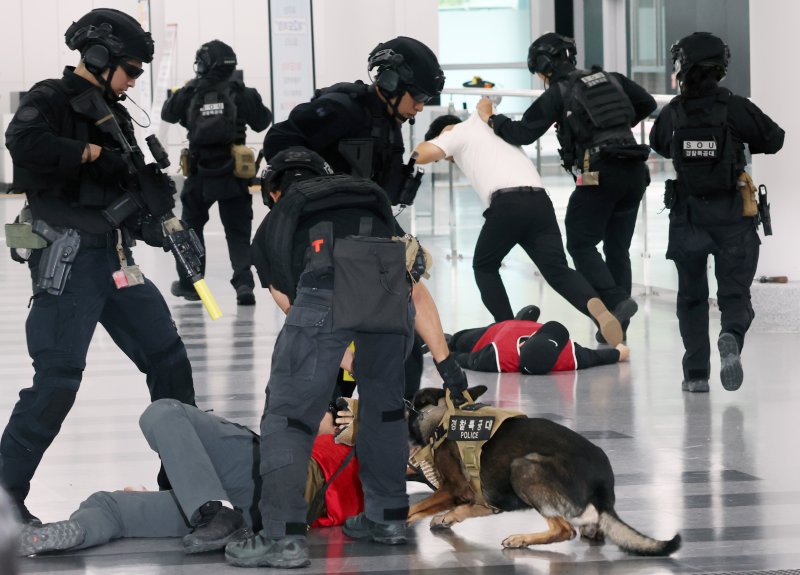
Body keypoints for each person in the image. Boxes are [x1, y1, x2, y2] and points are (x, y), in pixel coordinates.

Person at [1, 8, 196, 526]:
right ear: (98, 56)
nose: (133, 81)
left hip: (116, 259)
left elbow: (126, 192)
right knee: (57, 381)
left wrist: (161, 225)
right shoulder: (51, 98)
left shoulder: (118, 116)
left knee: (170, 362)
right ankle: (4, 500)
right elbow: (23, 142)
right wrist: (88, 152)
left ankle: (184, 488)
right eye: (129, 70)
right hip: (68, 262)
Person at [225, 147, 413, 568]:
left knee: (289, 416)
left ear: (274, 191)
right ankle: (388, 519)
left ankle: (282, 537)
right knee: (384, 409)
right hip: (390, 297)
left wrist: (329, 354)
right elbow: (405, 261)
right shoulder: (363, 197)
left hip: (321, 289)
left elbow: (289, 299)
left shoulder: (278, 216)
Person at [262, 36, 468, 406]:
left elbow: (413, 287)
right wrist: (311, 190)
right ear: (391, 82)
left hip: (365, 227)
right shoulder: (343, 108)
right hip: (322, 237)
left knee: (401, 335)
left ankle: (395, 420)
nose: (421, 106)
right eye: (418, 96)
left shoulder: (388, 125)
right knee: (327, 350)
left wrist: (449, 369)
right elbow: (280, 139)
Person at [478, 33, 657, 341]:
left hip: (598, 172)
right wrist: (613, 126)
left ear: (543, 67)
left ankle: (615, 301)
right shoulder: (611, 78)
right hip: (634, 170)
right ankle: (616, 328)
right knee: (617, 248)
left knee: (580, 243)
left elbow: (522, 133)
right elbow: (647, 103)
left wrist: (492, 119)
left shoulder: (560, 92)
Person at [16, 399, 360, 557]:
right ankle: (66, 533)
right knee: (108, 504)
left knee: (163, 412)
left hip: (261, 471)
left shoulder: (368, 428)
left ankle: (212, 507)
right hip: (254, 513)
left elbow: (305, 423)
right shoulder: (375, 472)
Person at [414, 110, 631, 346]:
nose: (451, 160)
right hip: (540, 202)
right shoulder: (492, 127)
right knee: (557, 270)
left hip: (507, 204)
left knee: (484, 266)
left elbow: (423, 154)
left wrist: (422, 150)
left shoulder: (456, 131)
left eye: (447, 158)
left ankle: (508, 328)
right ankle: (598, 309)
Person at [649, 32, 784, 393]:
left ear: (683, 66)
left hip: (688, 217)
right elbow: (774, 138)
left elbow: (658, 144)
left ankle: (696, 375)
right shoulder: (734, 107)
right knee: (735, 295)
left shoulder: (673, 112)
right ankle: (731, 337)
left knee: (691, 297)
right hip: (732, 216)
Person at [162, 40, 272, 306]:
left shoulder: (190, 91)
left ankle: (192, 285)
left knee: (191, 228)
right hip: (234, 174)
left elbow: (168, 113)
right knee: (237, 232)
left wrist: (187, 89)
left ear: (203, 65)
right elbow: (262, 121)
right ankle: (244, 285)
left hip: (199, 174)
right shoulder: (241, 92)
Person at [446, 305, 629, 374]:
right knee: (462, 339)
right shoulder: (566, 355)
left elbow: (469, 360)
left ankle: (450, 339)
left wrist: (447, 354)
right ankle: (522, 321)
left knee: (460, 341)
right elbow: (596, 357)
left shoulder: (496, 357)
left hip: (495, 333)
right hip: (514, 328)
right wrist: (619, 352)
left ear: (524, 344)